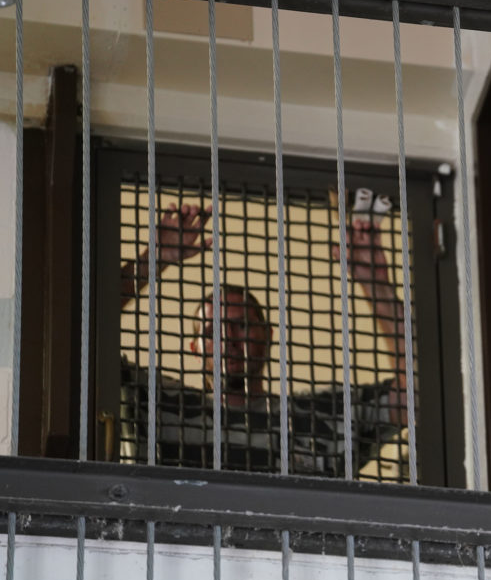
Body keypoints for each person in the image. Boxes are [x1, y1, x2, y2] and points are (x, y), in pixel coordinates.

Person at [119, 192, 409, 476]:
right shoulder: (158, 404)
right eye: (212, 330)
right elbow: (83, 339)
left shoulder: (324, 414)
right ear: (194, 348)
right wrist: (151, 261)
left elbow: (415, 396)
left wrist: (375, 280)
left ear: (268, 335)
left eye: (242, 324)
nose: (228, 338)